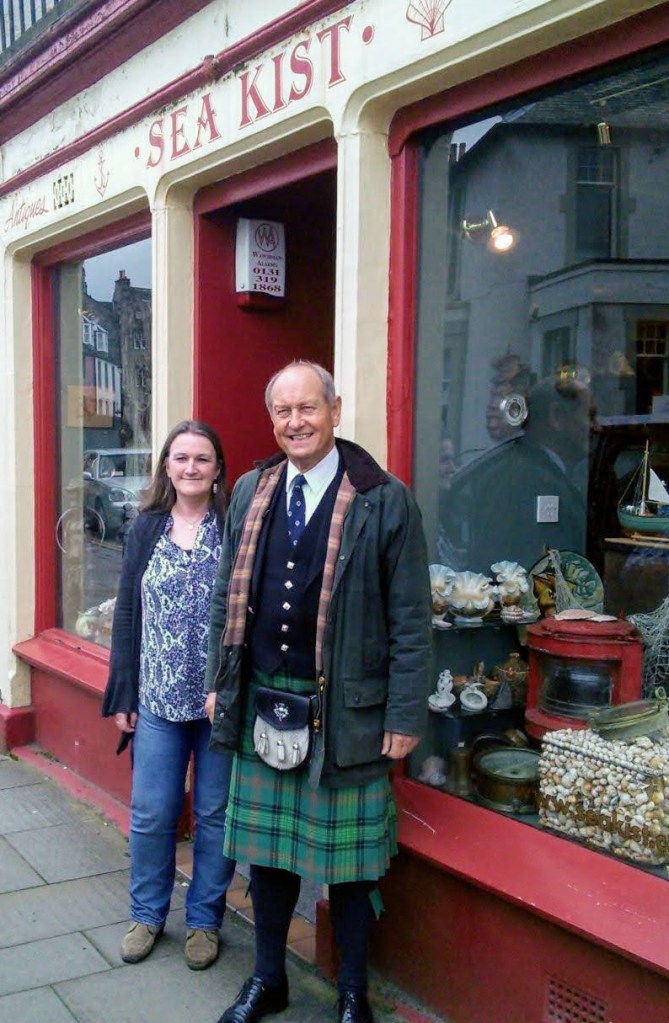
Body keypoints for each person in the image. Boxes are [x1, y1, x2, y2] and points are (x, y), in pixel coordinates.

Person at [204, 361, 432, 1023]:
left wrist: (404, 710)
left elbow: (411, 616)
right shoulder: (250, 489)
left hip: (346, 711)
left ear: (334, 409)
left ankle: (353, 993)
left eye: (308, 408)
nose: (295, 422)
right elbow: (226, 597)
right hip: (262, 697)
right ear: (272, 419)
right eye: (283, 411)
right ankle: (268, 977)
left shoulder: (384, 498)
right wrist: (219, 684)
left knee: (351, 867)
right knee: (269, 859)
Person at [102, 420, 236, 971]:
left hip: (215, 704)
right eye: (180, 458)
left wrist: (228, 686)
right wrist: (123, 691)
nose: (190, 468)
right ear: (167, 467)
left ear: (218, 468)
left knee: (213, 815)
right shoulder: (146, 528)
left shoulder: (233, 526)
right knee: (153, 814)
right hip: (157, 700)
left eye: (201, 458)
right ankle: (147, 914)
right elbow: (128, 613)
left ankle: (204, 922)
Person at [441, 365, 597, 572]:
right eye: (590, 415)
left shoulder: (499, 469)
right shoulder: (536, 483)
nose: (597, 426)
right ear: (557, 416)